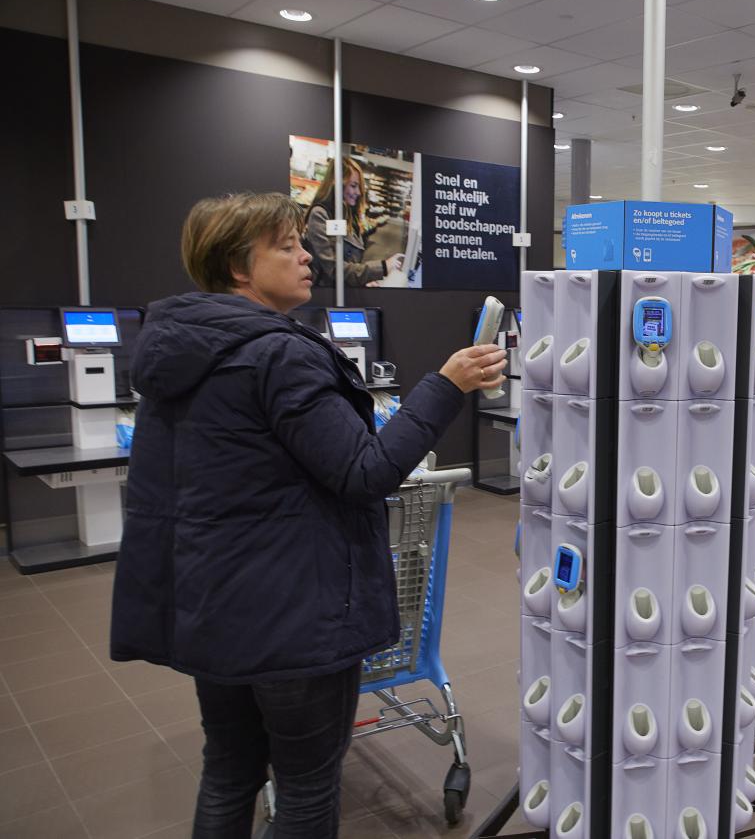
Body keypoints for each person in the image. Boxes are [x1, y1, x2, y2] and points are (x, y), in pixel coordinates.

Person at [109, 192, 506, 838]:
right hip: (294, 617)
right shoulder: (279, 355)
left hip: (213, 608)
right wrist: (447, 385)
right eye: (287, 246)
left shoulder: (179, 353)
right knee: (306, 788)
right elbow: (365, 471)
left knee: (230, 770)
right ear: (241, 267)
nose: (308, 257)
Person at [303, 157, 403, 287]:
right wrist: (382, 267)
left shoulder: (349, 217)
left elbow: (348, 263)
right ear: (337, 184)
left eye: (359, 187)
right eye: (354, 186)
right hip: (326, 296)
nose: (359, 192)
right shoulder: (320, 215)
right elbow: (334, 269)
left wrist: (364, 280)